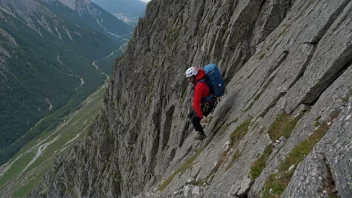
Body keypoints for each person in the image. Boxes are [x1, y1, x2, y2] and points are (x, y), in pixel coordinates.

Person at [186, 67, 214, 140]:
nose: (188, 80)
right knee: (190, 115)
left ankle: (201, 134)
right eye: (188, 78)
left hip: (208, 104)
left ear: (195, 76)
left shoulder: (199, 86)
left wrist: (201, 117)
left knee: (195, 119)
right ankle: (207, 119)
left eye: (190, 78)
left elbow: (196, 102)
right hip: (208, 102)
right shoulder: (201, 79)